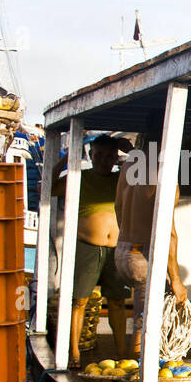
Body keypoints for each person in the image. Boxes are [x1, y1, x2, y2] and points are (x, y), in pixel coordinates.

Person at [114, 131, 188, 357]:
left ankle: (136, 374)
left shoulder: (129, 165)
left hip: (122, 250)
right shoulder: (164, 171)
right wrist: (176, 279)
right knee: (144, 325)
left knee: (141, 318)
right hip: (142, 256)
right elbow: (168, 233)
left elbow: (118, 207)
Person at [61, 135, 132, 367]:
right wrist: (66, 159)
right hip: (87, 247)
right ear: (90, 155)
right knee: (79, 301)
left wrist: (131, 152)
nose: (103, 160)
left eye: (109, 156)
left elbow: (148, 174)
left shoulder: (121, 178)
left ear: (115, 157)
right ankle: (74, 354)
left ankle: (122, 354)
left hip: (116, 249)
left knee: (117, 302)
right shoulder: (79, 178)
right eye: (98, 155)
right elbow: (50, 187)